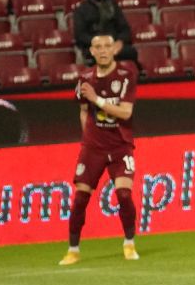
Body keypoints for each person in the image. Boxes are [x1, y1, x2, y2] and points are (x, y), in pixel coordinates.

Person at [59, 33, 140, 266]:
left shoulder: (126, 75)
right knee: (81, 197)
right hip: (93, 147)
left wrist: (98, 100)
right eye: (98, 47)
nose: (103, 50)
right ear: (92, 52)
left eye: (107, 46)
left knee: (124, 194)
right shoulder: (84, 78)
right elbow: (83, 110)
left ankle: (129, 243)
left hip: (120, 146)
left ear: (114, 49)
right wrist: (88, 138)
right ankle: (73, 249)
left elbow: (126, 112)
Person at [72, 0, 139, 64]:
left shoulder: (113, 5)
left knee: (130, 51)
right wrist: (100, 43)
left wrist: (120, 42)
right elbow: (80, 35)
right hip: (95, 46)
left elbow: (125, 28)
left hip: (114, 44)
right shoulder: (82, 10)